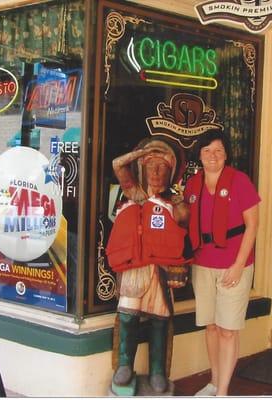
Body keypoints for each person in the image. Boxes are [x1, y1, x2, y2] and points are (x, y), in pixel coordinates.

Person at [105, 138, 191, 393]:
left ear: (171, 172)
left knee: (160, 322)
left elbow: (184, 221)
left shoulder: (173, 201)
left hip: (161, 272)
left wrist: (179, 203)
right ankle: (124, 366)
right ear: (142, 168)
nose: (155, 172)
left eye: (161, 167)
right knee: (128, 317)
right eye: (150, 166)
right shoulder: (135, 194)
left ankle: (157, 371)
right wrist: (141, 152)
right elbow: (117, 165)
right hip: (134, 269)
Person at [184, 130, 260, 396]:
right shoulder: (192, 184)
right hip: (203, 264)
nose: (212, 156)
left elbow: (252, 226)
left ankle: (222, 392)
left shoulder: (240, 182)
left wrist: (239, 264)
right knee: (212, 326)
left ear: (226, 154)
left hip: (234, 265)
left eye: (218, 150)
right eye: (206, 151)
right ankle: (214, 382)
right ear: (200, 156)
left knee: (228, 330)